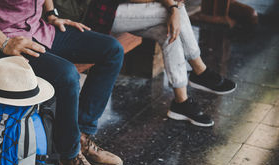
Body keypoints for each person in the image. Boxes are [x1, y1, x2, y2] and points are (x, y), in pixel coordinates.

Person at [0, 0, 125, 165]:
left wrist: (51, 14)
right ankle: (69, 155)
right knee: (66, 75)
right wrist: (3, 41)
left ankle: (81, 136)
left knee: (112, 49)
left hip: (38, 30)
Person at [81, 0, 237, 127]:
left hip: (128, 9)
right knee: (173, 12)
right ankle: (199, 69)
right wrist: (170, 5)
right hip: (103, 13)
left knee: (168, 30)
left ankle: (181, 102)